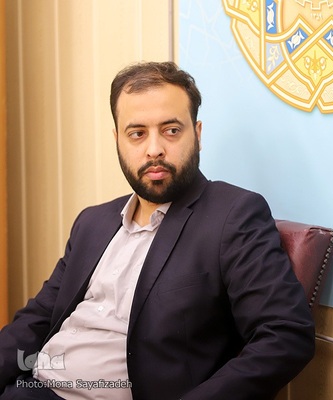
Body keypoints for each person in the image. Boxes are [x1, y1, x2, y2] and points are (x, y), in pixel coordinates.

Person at [0, 61, 315, 400]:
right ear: (117, 140)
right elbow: (37, 319)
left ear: (197, 134)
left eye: (171, 130)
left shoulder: (233, 215)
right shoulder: (92, 223)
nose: (154, 149)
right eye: (137, 133)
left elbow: (285, 335)